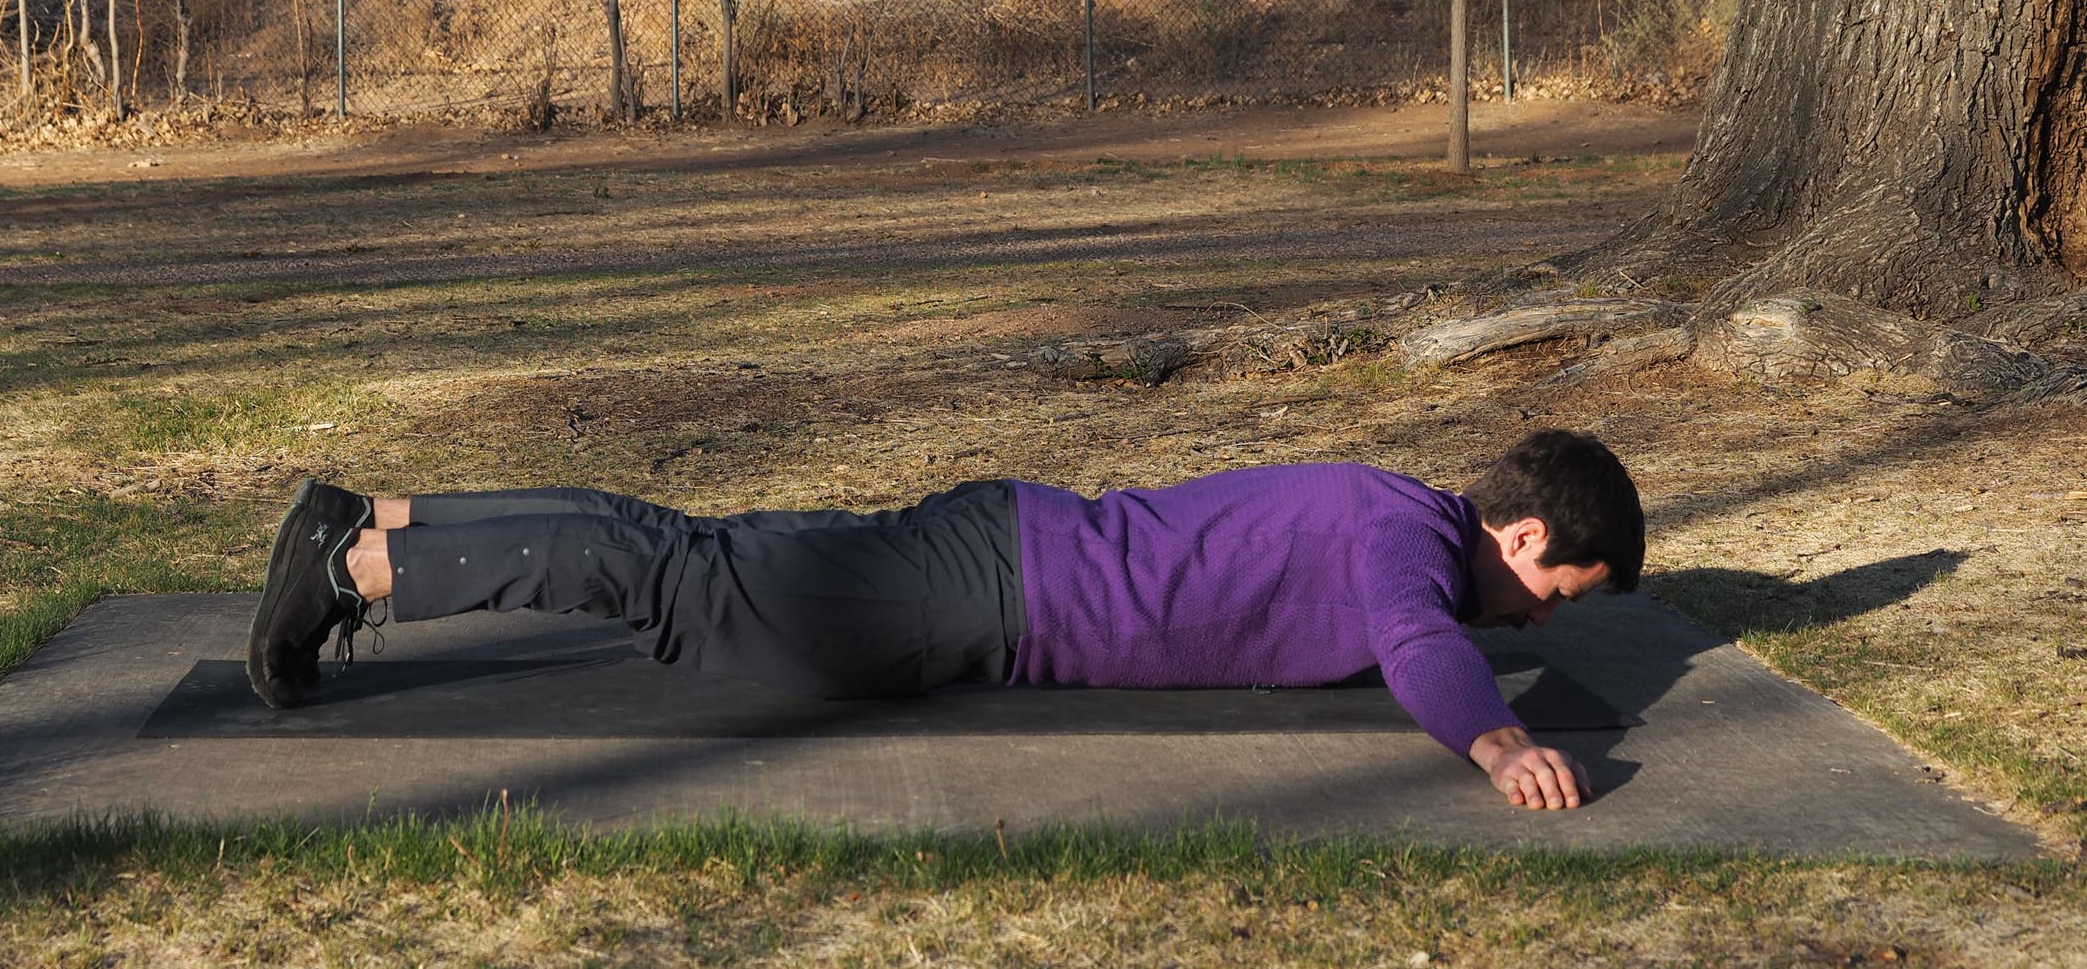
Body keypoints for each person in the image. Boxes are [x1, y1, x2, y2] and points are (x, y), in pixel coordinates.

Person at [247, 428, 1642, 810]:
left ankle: (373, 515)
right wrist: (1499, 740)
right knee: (678, 586)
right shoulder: (1408, 539)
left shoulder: (1390, 504)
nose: (1530, 620)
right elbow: (1420, 644)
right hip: (988, 590)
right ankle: (355, 569)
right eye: (1550, 597)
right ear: (1521, 535)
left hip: (999, 556)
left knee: (684, 551)